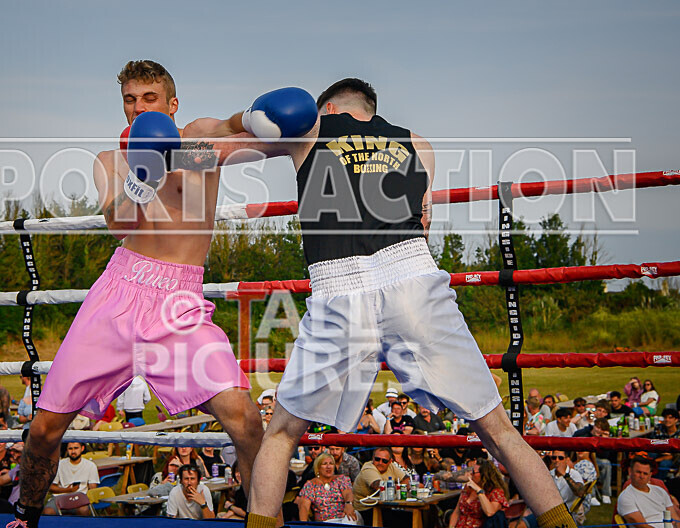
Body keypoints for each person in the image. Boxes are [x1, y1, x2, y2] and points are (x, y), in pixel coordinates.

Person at [191, 78, 576, 528]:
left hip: (340, 284)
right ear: (370, 108)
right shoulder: (418, 144)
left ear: (328, 107)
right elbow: (425, 222)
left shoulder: (312, 128)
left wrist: (167, 152)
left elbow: (218, 152)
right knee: (498, 430)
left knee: (280, 434)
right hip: (412, 274)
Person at [9, 59, 309, 527]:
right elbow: (119, 224)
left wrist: (263, 118)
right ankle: (26, 515)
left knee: (246, 421)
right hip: (120, 291)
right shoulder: (112, 160)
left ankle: (264, 523)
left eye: (148, 99)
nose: (138, 108)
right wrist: (142, 175)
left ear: (171, 103)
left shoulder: (198, 139)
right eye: (130, 100)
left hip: (179, 303)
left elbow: (242, 130)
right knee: (45, 429)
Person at [617, 457, 680, 528]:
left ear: (650, 475)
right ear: (630, 471)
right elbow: (643, 526)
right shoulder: (626, 497)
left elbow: (676, 519)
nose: (642, 476)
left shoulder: (660, 491)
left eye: (645, 473)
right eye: (638, 472)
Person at [297, 452, 358, 524]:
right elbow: (304, 507)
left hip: (345, 517)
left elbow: (348, 493)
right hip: (325, 522)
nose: (328, 467)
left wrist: (348, 504)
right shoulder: (311, 485)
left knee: (350, 519)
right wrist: (303, 525)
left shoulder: (341, 479)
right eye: (325, 464)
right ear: (318, 468)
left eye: (331, 464)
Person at [42, 442, 99, 516]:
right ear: (67, 450)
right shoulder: (59, 464)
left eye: (76, 448)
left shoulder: (91, 465)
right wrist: (68, 490)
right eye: (70, 449)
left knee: (83, 510)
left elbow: (93, 487)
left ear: (82, 448)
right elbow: (51, 487)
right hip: (60, 497)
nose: (73, 451)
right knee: (48, 511)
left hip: (79, 498)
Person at [448, 460, 509, 528]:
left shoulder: (495, 492)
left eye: (474, 472)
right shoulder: (468, 488)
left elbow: (489, 512)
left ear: (484, 475)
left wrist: (479, 490)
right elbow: (457, 512)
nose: (471, 474)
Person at [351, 447, 410, 514]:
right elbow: (378, 487)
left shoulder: (391, 466)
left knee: (411, 515)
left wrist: (396, 487)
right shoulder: (368, 468)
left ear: (390, 461)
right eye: (377, 459)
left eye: (384, 461)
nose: (380, 463)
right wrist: (399, 487)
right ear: (372, 458)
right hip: (366, 508)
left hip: (384, 506)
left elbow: (407, 479)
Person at [547, 451, 585, 523]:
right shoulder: (549, 474)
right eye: (554, 458)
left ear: (567, 460)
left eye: (560, 458)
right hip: (550, 513)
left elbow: (581, 493)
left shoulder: (574, 474)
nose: (557, 460)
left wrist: (565, 476)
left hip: (568, 514)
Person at [652, 408, 680, 480]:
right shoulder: (659, 428)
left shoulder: (678, 434)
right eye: (665, 417)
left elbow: (675, 454)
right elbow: (653, 442)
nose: (667, 420)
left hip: (674, 457)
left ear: (676, 420)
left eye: (670, 418)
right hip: (659, 451)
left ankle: (658, 482)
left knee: (664, 464)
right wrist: (663, 450)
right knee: (650, 454)